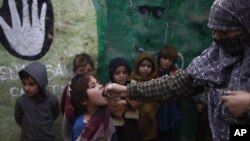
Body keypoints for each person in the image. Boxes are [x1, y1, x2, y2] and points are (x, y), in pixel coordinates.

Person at [104, 0, 250, 140]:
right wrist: (127, 90)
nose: (217, 37)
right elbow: (178, 84)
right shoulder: (218, 55)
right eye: (214, 31)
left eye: (224, 32)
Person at [14, 62, 59, 141]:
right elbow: (19, 119)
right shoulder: (21, 102)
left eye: (31, 84)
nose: (26, 88)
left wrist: (44, 127)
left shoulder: (52, 99)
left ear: (41, 83)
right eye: (24, 83)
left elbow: (55, 114)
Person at [69, 73, 116, 141]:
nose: (100, 86)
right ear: (83, 100)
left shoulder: (106, 114)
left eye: (98, 83)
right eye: (93, 86)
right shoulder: (80, 126)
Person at [61, 52, 95, 141]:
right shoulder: (69, 90)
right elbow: (65, 112)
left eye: (89, 71)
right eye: (81, 71)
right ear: (74, 72)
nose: (85, 74)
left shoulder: (96, 88)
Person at [107, 57, 141, 141]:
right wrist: (129, 103)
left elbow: (139, 100)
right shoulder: (109, 88)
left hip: (133, 123)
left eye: (124, 72)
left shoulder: (134, 85)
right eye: (117, 73)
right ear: (112, 75)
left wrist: (124, 102)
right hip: (116, 126)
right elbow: (113, 109)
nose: (121, 75)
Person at [129, 52, 159, 141]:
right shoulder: (130, 81)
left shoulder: (156, 83)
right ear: (137, 66)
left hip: (150, 125)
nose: (145, 69)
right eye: (142, 65)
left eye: (149, 66)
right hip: (133, 124)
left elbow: (154, 104)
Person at [156, 45, 181, 141]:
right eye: (164, 58)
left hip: (173, 112)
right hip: (160, 111)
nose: (167, 62)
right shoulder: (155, 73)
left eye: (170, 60)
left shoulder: (176, 73)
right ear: (160, 59)